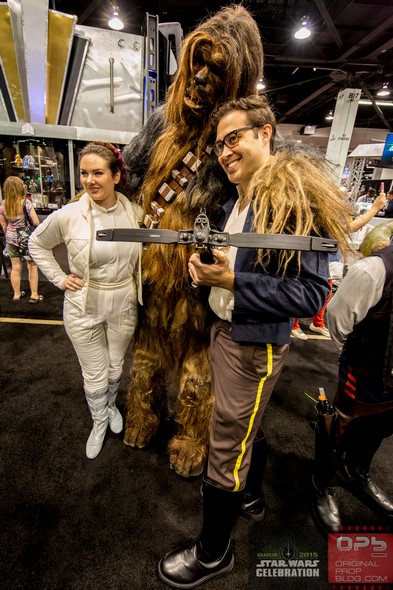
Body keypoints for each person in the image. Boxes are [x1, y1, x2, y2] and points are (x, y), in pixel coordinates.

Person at [157, 95, 352, 588]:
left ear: (266, 133)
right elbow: (231, 266)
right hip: (227, 332)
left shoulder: (291, 200)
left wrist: (230, 284)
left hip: (253, 346)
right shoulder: (233, 203)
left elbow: (310, 294)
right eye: (220, 144)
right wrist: (206, 275)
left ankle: (213, 552)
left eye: (235, 137)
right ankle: (249, 495)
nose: (225, 151)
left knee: (226, 444)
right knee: (248, 420)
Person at [28, 142, 142, 459]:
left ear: (116, 176)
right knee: (94, 373)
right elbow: (37, 244)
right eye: (84, 173)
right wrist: (60, 278)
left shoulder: (135, 212)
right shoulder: (69, 215)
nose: (90, 180)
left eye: (98, 173)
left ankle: (109, 405)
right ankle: (99, 421)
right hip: (83, 306)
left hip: (124, 303)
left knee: (116, 366)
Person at [313, 239, 393, 532]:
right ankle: (322, 484)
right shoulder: (374, 270)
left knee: (381, 427)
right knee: (342, 425)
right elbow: (337, 317)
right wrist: (354, 353)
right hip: (365, 371)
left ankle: (357, 471)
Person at [291, 191, 387, 340]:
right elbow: (349, 228)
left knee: (325, 293)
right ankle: (294, 324)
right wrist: (374, 209)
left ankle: (317, 323)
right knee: (305, 292)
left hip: (326, 263)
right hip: (312, 264)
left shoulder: (325, 215)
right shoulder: (313, 216)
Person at [0, 176, 42, 302]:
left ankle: (17, 294)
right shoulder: (25, 203)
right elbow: (36, 221)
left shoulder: (3, 205)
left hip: (11, 238)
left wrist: (9, 233)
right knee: (32, 265)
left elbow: (3, 224)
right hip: (26, 238)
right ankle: (34, 295)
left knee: (15, 267)